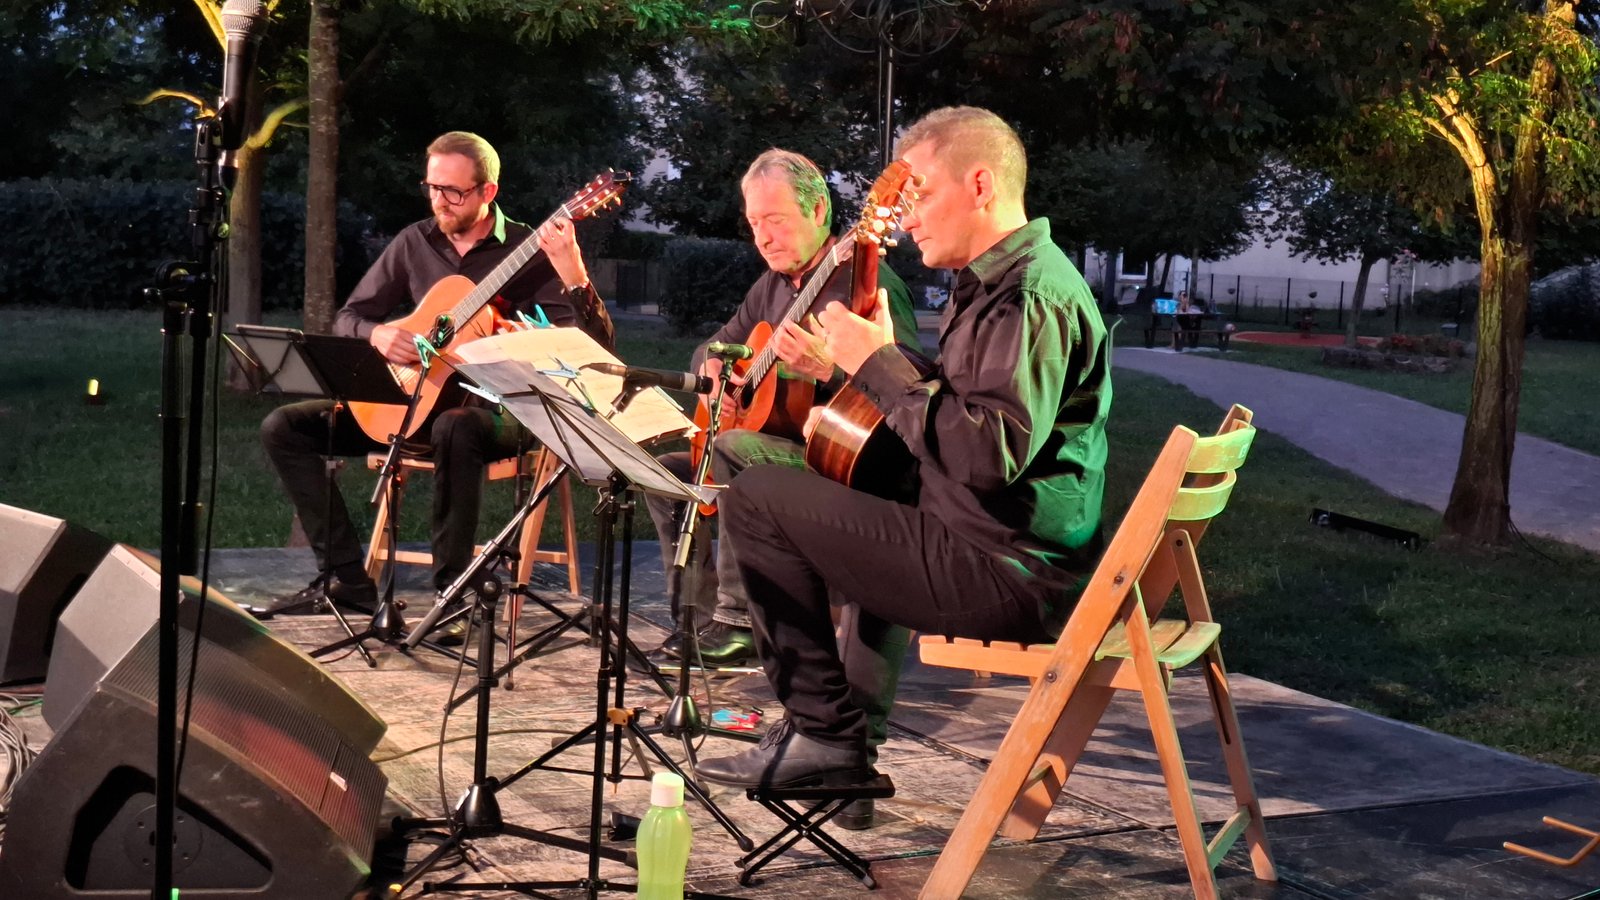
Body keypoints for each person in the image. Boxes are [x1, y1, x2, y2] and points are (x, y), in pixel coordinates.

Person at [695, 107, 1112, 792]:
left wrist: (880, 363)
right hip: (987, 540)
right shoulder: (1000, 285)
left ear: (980, 185)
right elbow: (969, 413)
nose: (910, 216)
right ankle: (840, 737)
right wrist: (886, 364)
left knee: (759, 500)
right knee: (842, 479)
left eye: (921, 194)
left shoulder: (1029, 296)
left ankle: (827, 735)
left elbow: (985, 456)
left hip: (1001, 569)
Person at [255, 131, 614, 618]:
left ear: (488, 193)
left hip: (498, 413)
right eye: (432, 188)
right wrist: (378, 334)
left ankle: (453, 593)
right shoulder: (413, 241)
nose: (440, 201)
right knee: (285, 427)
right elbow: (349, 317)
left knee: (455, 426)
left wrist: (571, 275)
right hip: (408, 401)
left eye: (454, 191)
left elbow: (593, 347)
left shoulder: (533, 250)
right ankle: (345, 580)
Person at [642, 149, 921, 669]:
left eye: (775, 220)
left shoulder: (868, 285)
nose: (763, 237)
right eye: (753, 223)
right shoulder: (771, 285)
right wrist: (719, 378)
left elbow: (906, 395)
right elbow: (712, 350)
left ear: (818, 213)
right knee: (666, 472)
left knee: (731, 446)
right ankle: (694, 621)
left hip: (842, 466)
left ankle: (739, 621)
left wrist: (832, 371)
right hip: (775, 447)